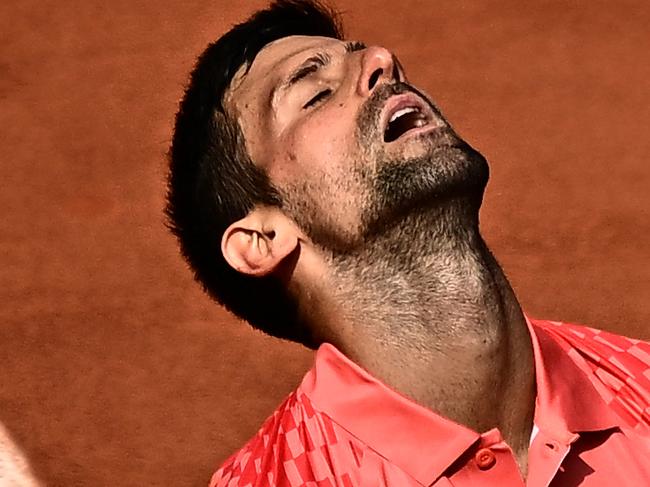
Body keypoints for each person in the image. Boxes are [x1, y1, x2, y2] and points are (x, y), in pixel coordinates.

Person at [165, 1, 650, 485]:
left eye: (363, 55)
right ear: (264, 239)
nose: (382, 59)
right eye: (315, 93)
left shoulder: (642, 382)